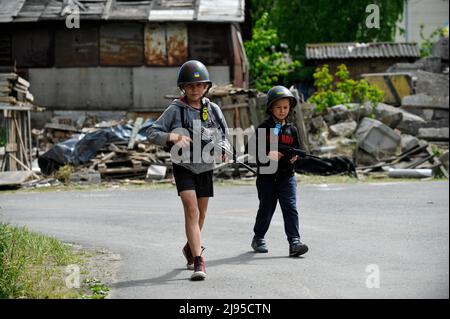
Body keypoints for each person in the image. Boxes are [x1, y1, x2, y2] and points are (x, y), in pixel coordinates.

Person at [146, 60, 231, 281]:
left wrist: (223, 149)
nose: (195, 89)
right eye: (191, 86)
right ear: (183, 87)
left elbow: (224, 136)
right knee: (192, 211)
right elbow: (151, 132)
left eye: (200, 85)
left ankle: (188, 248)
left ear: (206, 87)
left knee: (201, 215)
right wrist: (171, 137)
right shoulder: (174, 110)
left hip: (205, 167)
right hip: (183, 167)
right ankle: (198, 260)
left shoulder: (213, 110)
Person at [249, 85, 309, 257]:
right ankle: (258, 237)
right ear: (270, 108)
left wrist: (294, 158)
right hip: (266, 178)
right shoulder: (262, 129)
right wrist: (268, 153)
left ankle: (294, 242)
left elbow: (296, 149)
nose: (282, 111)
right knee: (266, 208)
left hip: (287, 176)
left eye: (285, 107)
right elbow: (250, 149)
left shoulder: (292, 130)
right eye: (278, 107)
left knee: (290, 207)